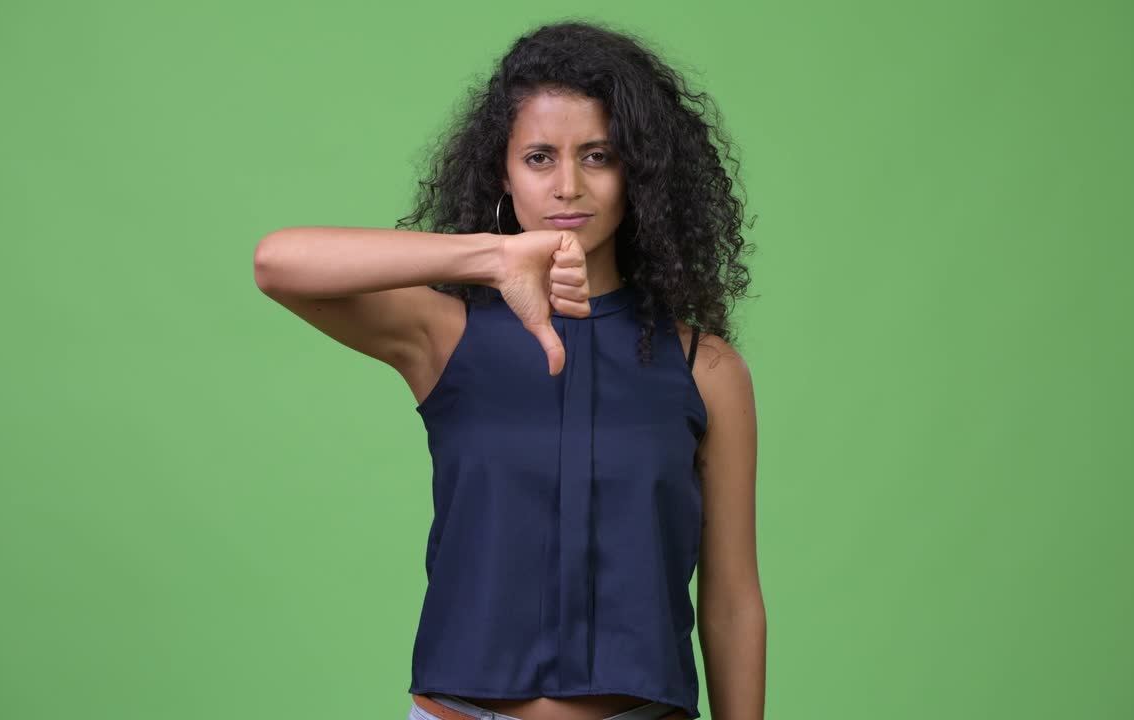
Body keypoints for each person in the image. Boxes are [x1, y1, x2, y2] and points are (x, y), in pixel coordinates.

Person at [253, 19, 764, 720]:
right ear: (503, 170)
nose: (567, 186)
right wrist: (489, 257)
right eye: (539, 157)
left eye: (597, 155)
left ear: (637, 170)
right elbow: (278, 263)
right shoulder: (445, 334)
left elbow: (733, 601)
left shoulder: (704, 367)